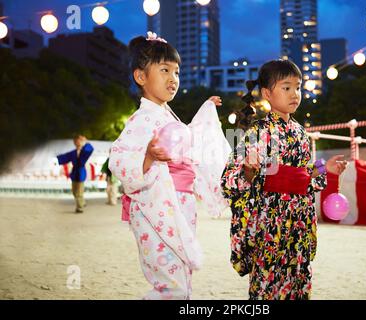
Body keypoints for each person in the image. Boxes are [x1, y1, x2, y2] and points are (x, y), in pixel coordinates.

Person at [108, 32, 230, 300]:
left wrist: (206, 111)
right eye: (164, 70)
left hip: (179, 205)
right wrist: (148, 158)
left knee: (180, 278)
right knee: (170, 286)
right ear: (141, 77)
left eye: (176, 71)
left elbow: (188, 139)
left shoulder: (165, 115)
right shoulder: (141, 120)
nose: (173, 78)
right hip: (156, 208)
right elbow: (117, 158)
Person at [221, 59, 347, 300]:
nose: (295, 94)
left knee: (299, 278)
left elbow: (305, 174)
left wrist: (325, 168)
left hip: (299, 219)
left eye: (298, 87)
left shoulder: (300, 132)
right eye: (286, 87)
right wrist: (248, 172)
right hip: (271, 221)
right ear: (267, 93)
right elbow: (229, 180)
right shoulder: (257, 132)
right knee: (268, 283)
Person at [57, 135, 94, 213]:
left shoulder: (84, 151)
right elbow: (64, 157)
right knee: (74, 191)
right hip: (74, 173)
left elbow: (90, 148)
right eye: (76, 141)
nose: (77, 142)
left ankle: (79, 208)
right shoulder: (73, 152)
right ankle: (82, 202)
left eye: (79, 141)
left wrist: (86, 141)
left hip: (81, 172)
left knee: (79, 192)